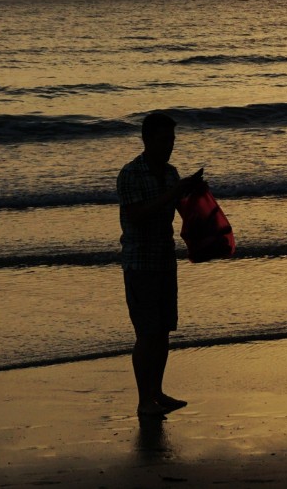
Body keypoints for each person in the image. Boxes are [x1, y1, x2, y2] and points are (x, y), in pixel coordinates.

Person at [116, 112, 203, 419]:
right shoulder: (131, 174)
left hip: (165, 260)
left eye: (172, 141)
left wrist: (193, 193)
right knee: (146, 332)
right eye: (164, 140)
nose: (169, 147)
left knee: (163, 330)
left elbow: (181, 211)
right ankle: (143, 400)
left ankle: (157, 392)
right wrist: (175, 192)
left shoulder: (170, 173)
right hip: (140, 263)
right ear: (147, 140)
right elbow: (139, 215)